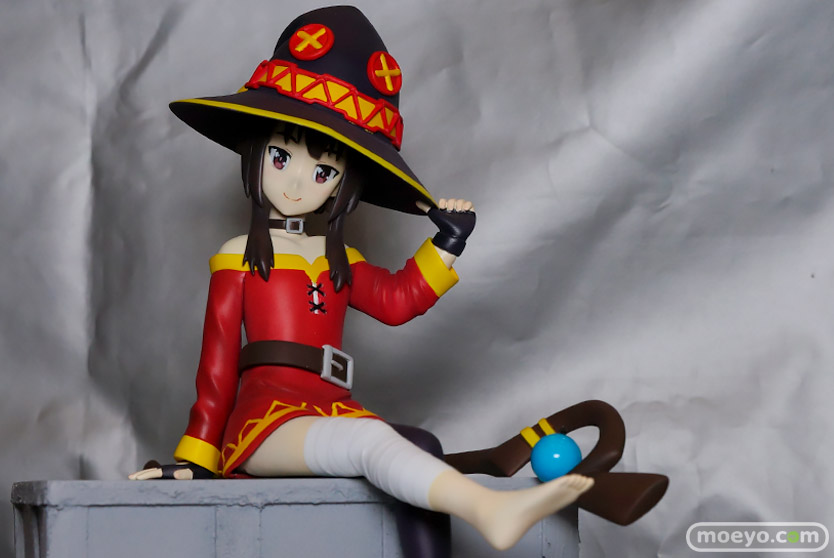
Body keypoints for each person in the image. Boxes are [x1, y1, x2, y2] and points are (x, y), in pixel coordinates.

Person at [129, 6, 593, 554]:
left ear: (343, 184)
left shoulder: (338, 259)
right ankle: (489, 511)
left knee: (420, 444)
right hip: (265, 423)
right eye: (280, 157)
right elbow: (217, 366)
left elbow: (398, 301)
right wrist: (197, 457)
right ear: (255, 152)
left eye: (322, 171)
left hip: (333, 409)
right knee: (371, 441)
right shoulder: (239, 258)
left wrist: (447, 243)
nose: (297, 183)